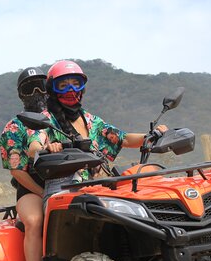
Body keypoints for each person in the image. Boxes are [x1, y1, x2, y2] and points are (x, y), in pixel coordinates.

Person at [29, 60, 167, 183]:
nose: (70, 90)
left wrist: (153, 136)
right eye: (63, 86)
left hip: (97, 189)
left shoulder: (92, 121)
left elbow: (124, 139)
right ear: (52, 90)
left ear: (82, 89)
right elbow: (33, 147)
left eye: (76, 84)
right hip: (63, 190)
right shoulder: (46, 119)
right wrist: (48, 148)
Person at [0, 67, 48, 261]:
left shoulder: (63, 118)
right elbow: (17, 172)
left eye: (41, 85)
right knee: (34, 220)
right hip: (33, 187)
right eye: (30, 88)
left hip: (70, 182)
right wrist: (42, 192)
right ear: (21, 94)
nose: (37, 92)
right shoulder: (13, 128)